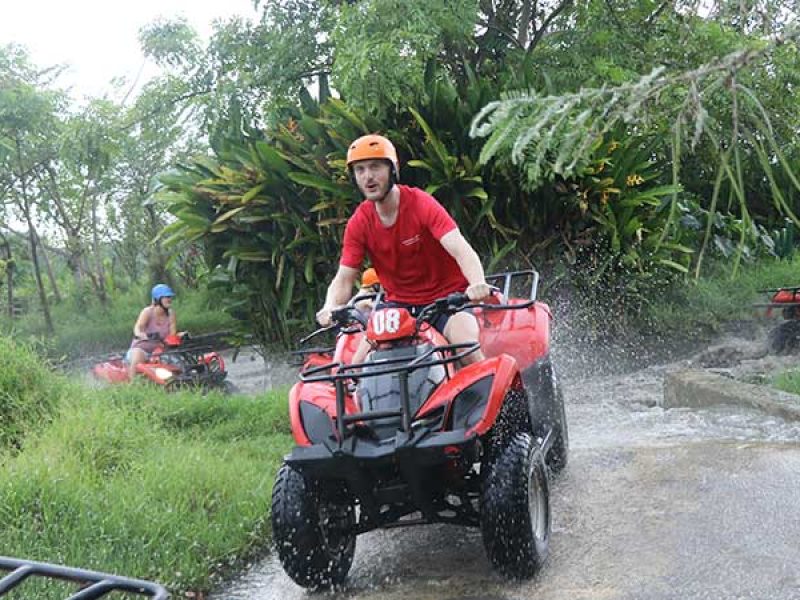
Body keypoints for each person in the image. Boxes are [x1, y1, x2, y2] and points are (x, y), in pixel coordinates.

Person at [316, 134, 491, 365]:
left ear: (393, 169)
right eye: (360, 170)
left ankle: (501, 399)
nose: (368, 176)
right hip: (397, 308)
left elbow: (461, 249)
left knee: (466, 347)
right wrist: (330, 307)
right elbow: (345, 278)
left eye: (375, 167)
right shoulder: (359, 222)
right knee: (355, 370)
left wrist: (477, 283)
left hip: (447, 302)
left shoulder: (421, 203)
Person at [126, 283, 178, 380]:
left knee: (178, 361)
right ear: (158, 299)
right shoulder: (147, 312)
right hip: (142, 348)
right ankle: (132, 384)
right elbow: (138, 327)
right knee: (138, 356)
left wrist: (177, 337)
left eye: (170, 297)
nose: (169, 299)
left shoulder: (171, 314)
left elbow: (172, 333)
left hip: (160, 350)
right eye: (166, 297)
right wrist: (141, 335)